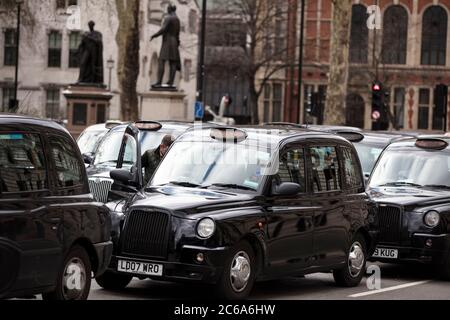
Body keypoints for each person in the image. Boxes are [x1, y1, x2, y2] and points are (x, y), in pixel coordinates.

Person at [150, 4, 181, 88]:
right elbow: (178, 33)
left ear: (169, 9)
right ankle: (170, 82)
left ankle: (159, 82)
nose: (166, 10)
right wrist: (177, 42)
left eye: (167, 9)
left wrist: (154, 35)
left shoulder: (168, 18)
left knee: (161, 61)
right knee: (173, 63)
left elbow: (163, 29)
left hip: (167, 42)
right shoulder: (177, 19)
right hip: (174, 42)